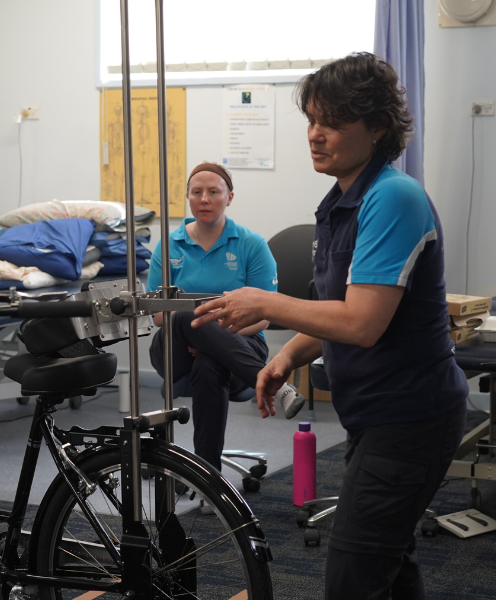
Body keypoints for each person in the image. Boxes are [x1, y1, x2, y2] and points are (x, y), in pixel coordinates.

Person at [192, 52, 468, 599]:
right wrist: (288, 355)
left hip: (410, 416)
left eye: (333, 122)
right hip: (377, 414)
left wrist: (268, 303)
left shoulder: (393, 197)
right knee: (389, 565)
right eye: (312, 121)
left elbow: (362, 322)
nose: (316, 135)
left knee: (354, 575)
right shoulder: (344, 199)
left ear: (378, 127)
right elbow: (334, 305)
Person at [147, 162, 305, 474]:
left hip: (242, 345)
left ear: (229, 197)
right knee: (181, 316)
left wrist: (211, 339)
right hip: (175, 350)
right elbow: (156, 315)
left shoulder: (251, 245)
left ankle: (209, 479)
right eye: (197, 192)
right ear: (189, 198)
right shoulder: (169, 245)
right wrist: (200, 331)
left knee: (209, 364)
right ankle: (275, 384)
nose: (204, 199)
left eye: (213, 192)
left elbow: (264, 316)